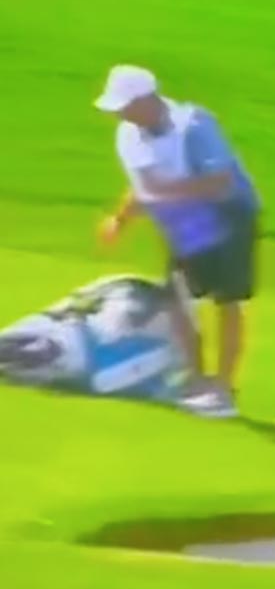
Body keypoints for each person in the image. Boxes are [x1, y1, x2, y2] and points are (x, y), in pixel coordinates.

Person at [95, 65, 262, 419]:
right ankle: (196, 380)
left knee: (227, 300)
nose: (119, 113)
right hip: (190, 218)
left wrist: (167, 193)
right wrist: (119, 220)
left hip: (229, 213)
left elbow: (220, 181)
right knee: (178, 296)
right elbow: (143, 187)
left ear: (147, 98)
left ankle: (223, 391)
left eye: (125, 105)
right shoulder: (129, 134)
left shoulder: (195, 126)